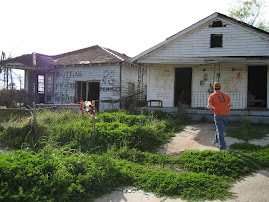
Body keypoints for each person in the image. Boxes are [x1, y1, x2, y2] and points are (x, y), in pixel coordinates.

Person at [207, 82, 233, 151]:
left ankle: (223, 147)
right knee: (220, 128)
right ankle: (216, 140)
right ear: (220, 87)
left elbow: (209, 107)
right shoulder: (226, 95)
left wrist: (214, 108)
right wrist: (226, 107)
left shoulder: (212, 96)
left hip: (218, 115)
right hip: (227, 114)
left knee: (220, 130)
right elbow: (231, 104)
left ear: (214, 88)